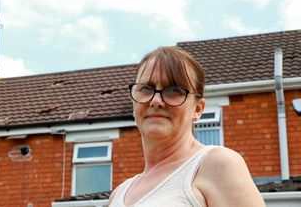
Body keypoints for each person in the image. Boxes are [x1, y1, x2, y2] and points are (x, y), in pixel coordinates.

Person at [109, 47, 265, 206]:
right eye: (145, 88)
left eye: (174, 90)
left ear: (198, 109)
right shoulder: (118, 194)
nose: (156, 100)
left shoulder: (217, 165)